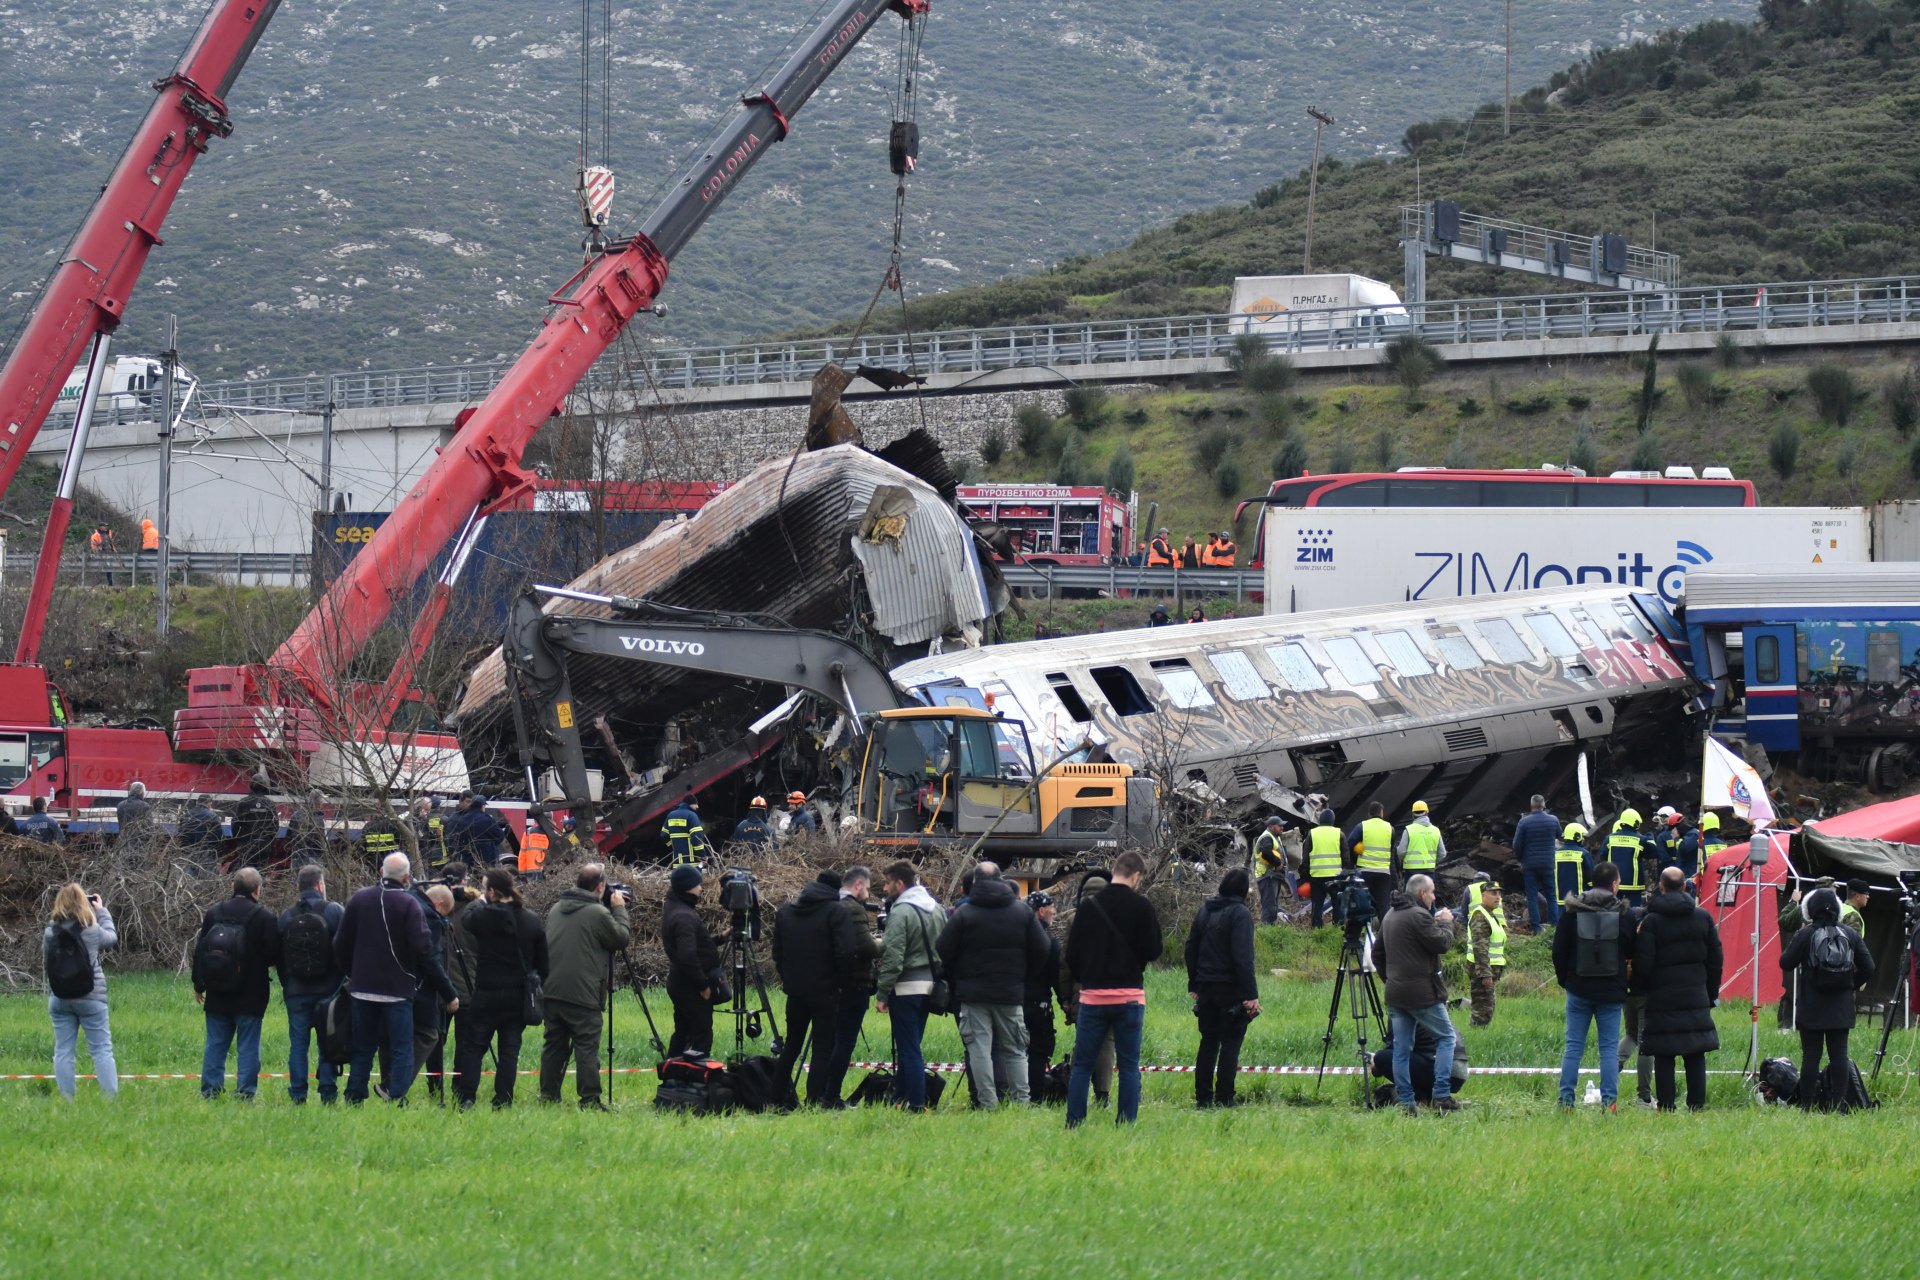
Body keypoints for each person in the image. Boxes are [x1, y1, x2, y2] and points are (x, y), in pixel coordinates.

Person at [937, 861, 1051, 1109]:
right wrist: (1023, 975)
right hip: (1010, 993)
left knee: (979, 1049)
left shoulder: (964, 914)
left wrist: (961, 974)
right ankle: (1022, 1102)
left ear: (975, 883)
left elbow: (942, 949)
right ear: (1001, 880)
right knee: (1016, 1049)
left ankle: (987, 1103)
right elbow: (1044, 947)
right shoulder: (1021, 913)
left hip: (973, 994)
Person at [1064, 850, 1164, 1126]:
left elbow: (1071, 956)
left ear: (1114, 871)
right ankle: (1126, 1122)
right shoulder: (1141, 907)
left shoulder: (1088, 907)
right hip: (1130, 997)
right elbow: (1154, 950)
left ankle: (1074, 1123)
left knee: (1083, 1066)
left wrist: (1089, 976)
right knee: (1129, 1066)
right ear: (1136, 876)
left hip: (1093, 998)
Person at [335, 853, 437, 1105]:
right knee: (402, 1047)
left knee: (363, 1048)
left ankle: (354, 1096)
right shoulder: (409, 904)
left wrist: (352, 972)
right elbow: (423, 947)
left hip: (362, 989)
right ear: (406, 877)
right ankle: (396, 1096)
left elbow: (340, 943)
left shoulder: (359, 899)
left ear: (381, 873)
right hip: (397, 990)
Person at [446, 867, 543, 1108]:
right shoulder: (531, 920)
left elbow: (466, 921)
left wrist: (479, 901)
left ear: (491, 891)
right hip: (517, 994)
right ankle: (503, 1100)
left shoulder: (482, 916)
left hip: (486, 993)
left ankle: (467, 1097)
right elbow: (543, 962)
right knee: (509, 1051)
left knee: (474, 1048)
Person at [540, 863, 632, 1110]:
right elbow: (620, 939)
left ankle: (548, 1096)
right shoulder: (597, 914)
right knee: (586, 1046)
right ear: (600, 887)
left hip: (551, 989)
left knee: (553, 1045)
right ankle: (590, 1099)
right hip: (583, 992)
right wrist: (620, 910)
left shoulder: (557, 909)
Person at [1633, 866, 1724, 1112]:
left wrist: (1641, 989)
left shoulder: (1652, 921)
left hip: (1662, 997)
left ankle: (1666, 1107)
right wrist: (1710, 993)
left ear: (1661, 887)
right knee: (1695, 1053)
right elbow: (1716, 960)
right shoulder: (1703, 917)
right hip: (1695, 995)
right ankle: (1697, 1107)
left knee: (1664, 1054)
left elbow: (1643, 963)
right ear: (1685, 886)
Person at [1777, 886, 1873, 1111]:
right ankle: (1838, 1106)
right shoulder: (1849, 934)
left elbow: (1785, 963)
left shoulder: (1806, 934)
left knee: (1811, 1055)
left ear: (1809, 910)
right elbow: (1869, 967)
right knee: (1839, 1054)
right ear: (1838, 909)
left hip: (1812, 1003)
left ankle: (1807, 1106)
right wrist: (1850, 985)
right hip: (1841, 1005)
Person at [191, 866, 280, 1100]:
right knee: (249, 1048)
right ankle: (245, 1093)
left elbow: (201, 950)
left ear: (232, 887)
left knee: (215, 1046)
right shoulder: (264, 917)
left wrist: (198, 984)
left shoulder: (214, 912)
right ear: (257, 890)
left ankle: (210, 1092)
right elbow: (273, 955)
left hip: (218, 992)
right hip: (252, 995)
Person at [773, 869, 860, 1105]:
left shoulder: (786, 912)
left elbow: (777, 954)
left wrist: (789, 980)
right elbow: (847, 951)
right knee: (822, 1048)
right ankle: (814, 1100)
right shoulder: (836, 911)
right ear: (835, 890)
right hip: (827, 992)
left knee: (791, 1046)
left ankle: (778, 1098)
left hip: (796, 992)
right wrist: (842, 983)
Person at [1551, 859, 1631, 1108]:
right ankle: (1610, 1103)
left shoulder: (1572, 910)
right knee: (1608, 1049)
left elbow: (1559, 950)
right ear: (1615, 884)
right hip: (1611, 991)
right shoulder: (1623, 913)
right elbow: (1631, 948)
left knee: (1573, 1046)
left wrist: (1566, 980)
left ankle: (1566, 1101)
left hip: (1578, 987)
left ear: (1591, 882)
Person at [1381, 873, 1458, 1114]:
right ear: (1422, 894)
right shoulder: (1419, 916)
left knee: (1401, 1050)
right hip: (1422, 995)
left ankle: (1406, 1103)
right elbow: (1442, 944)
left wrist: (1393, 979)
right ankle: (1442, 1095)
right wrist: (1446, 922)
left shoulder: (1390, 915)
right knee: (1446, 1038)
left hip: (1395, 994)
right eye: (1433, 892)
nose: (1434, 897)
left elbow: (1377, 955)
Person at [378, 880, 460, 1102]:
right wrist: (450, 993)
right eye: (445, 912)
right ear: (440, 903)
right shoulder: (429, 916)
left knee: (389, 1034)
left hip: (383, 980)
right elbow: (430, 959)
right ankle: (393, 1085)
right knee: (428, 1034)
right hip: (416, 985)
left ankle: (388, 1084)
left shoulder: (402, 902)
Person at [875, 860, 946, 1111]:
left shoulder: (901, 911)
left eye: (886, 883)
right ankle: (899, 1099)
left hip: (905, 988)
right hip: (930, 986)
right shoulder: (937, 908)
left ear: (900, 883)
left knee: (909, 1051)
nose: (885, 888)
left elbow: (893, 956)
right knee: (912, 1045)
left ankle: (915, 1104)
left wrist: (882, 992)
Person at [1185, 867, 1259, 1108]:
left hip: (1206, 988)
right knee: (1230, 1043)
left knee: (1208, 1043)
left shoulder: (1205, 910)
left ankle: (1203, 1099)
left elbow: (1190, 948)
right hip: (1231, 990)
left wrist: (1194, 983)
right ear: (1243, 891)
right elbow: (1243, 958)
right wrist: (1250, 995)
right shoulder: (1240, 914)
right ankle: (1225, 1098)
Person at [277, 864, 345, 1105]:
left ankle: (298, 1094)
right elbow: (346, 948)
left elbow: (279, 956)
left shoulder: (287, 915)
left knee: (298, 1045)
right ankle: (328, 1092)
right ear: (321, 885)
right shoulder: (335, 910)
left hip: (296, 991)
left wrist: (288, 985)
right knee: (327, 1042)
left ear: (298, 887)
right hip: (329, 991)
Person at [44, 883, 117, 1100]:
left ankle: (67, 1101)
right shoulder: (92, 930)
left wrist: (56, 923)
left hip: (59, 997)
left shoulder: (50, 932)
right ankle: (110, 1100)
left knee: (63, 1051)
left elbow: (46, 954)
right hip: (91, 996)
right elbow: (111, 938)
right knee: (101, 1049)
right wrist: (101, 911)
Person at [824, 866, 884, 1105]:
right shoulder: (852, 909)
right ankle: (831, 1095)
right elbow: (865, 948)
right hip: (853, 985)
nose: (868, 896)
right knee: (845, 1042)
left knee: (828, 1040)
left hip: (828, 984)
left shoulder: (827, 906)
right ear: (858, 884)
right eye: (868, 889)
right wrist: (884, 941)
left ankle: (820, 1091)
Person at [661, 864, 721, 1056]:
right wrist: (703, 986)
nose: (701, 888)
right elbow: (687, 955)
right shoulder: (683, 915)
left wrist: (721, 938)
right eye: (697, 884)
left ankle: (673, 1078)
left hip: (680, 982)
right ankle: (696, 1079)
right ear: (688, 887)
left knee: (683, 1032)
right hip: (690, 986)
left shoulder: (676, 907)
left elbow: (692, 946)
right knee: (701, 1035)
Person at [1023, 890, 1067, 1101]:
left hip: (1013, 1003)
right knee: (1038, 1052)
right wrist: (1065, 1002)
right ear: (1041, 911)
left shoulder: (1016, 939)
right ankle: (1036, 1096)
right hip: (1039, 1005)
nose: (1054, 911)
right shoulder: (1049, 942)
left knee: (1014, 1051)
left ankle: (1014, 1094)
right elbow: (1057, 978)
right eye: (1051, 907)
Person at [1467, 878, 1506, 1027]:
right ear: (1483, 895)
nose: (1498, 897)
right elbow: (1480, 948)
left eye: (1499, 894)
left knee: (1487, 1006)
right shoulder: (1480, 916)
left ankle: (1479, 1034)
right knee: (1483, 1008)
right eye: (1493, 893)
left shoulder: (1490, 914)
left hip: (1488, 970)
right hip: (1482, 971)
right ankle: (1476, 1035)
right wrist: (1485, 974)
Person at [1349, 801, 1394, 920]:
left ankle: (1366, 930)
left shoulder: (1361, 826)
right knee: (1384, 905)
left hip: (1364, 871)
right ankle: (1384, 933)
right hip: (1383, 872)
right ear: (1381, 813)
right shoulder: (1390, 829)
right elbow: (1391, 850)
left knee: (1363, 902)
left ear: (1369, 814)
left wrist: (1355, 859)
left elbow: (1349, 844)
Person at [1305, 808, 1343, 928]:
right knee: (1337, 903)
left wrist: (1307, 872)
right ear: (1333, 820)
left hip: (1317, 875)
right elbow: (1346, 855)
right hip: (1335, 875)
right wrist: (1346, 872)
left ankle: (1317, 928)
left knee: (1317, 904)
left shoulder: (1312, 833)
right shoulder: (1339, 833)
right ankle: (1338, 927)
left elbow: (1306, 855)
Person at [230, 780, 278, 871]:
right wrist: (270, 842)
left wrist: (239, 840)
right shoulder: (270, 804)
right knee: (261, 873)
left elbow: (235, 824)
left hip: (247, 846)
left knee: (246, 875)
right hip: (264, 846)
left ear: (251, 786)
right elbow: (275, 825)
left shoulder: (243, 803)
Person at [1396, 799, 1445, 887]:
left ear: (1413, 815)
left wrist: (1404, 861)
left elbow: (1401, 852)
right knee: (1428, 897)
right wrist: (1432, 861)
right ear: (1427, 812)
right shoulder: (1435, 831)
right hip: (1429, 871)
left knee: (1410, 898)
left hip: (1411, 872)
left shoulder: (1408, 830)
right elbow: (1442, 853)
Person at [1608, 808, 1651, 907]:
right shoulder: (1640, 839)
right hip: (1634, 885)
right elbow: (1652, 852)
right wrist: (1650, 838)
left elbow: (1603, 857)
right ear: (1635, 823)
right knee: (1634, 912)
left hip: (1614, 883)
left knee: (1613, 910)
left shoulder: (1609, 838)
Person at [173, 793, 221, 873]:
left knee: (190, 878)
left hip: (189, 852)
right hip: (207, 853)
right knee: (206, 879)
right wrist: (216, 853)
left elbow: (181, 835)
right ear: (209, 804)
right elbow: (219, 836)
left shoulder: (186, 816)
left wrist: (184, 850)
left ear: (197, 803)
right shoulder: (213, 817)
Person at [1254, 816, 1288, 925]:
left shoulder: (1274, 836)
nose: (1282, 827)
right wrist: (1278, 863)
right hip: (1267, 876)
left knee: (1273, 906)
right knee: (1269, 907)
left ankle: (1270, 931)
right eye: (1280, 825)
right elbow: (1265, 852)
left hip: (1272, 876)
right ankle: (1266, 933)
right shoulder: (1267, 837)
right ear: (1272, 826)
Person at [663, 792, 710, 868]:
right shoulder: (692, 816)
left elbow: (664, 835)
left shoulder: (670, 815)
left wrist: (674, 845)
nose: (697, 806)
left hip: (677, 862)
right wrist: (702, 856)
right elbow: (696, 839)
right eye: (695, 804)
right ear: (690, 804)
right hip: (692, 863)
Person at [286, 792, 330, 865]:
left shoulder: (295, 815)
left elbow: (289, 836)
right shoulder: (319, 819)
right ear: (320, 802)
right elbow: (322, 842)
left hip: (296, 855)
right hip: (313, 857)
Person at [1555, 822, 1591, 904]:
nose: (1583, 839)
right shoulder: (1584, 853)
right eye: (1582, 836)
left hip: (1560, 900)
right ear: (1577, 836)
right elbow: (1590, 877)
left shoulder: (1556, 853)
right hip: (1579, 901)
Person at [116, 780, 155, 849]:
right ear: (142, 793)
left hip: (123, 843)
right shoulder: (145, 806)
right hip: (139, 845)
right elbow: (149, 828)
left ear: (131, 791)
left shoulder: (120, 805)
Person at [413, 797, 449, 871]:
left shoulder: (425, 819)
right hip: (423, 858)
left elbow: (427, 837)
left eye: (428, 810)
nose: (428, 812)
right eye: (426, 810)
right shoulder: (411, 819)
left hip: (428, 857)